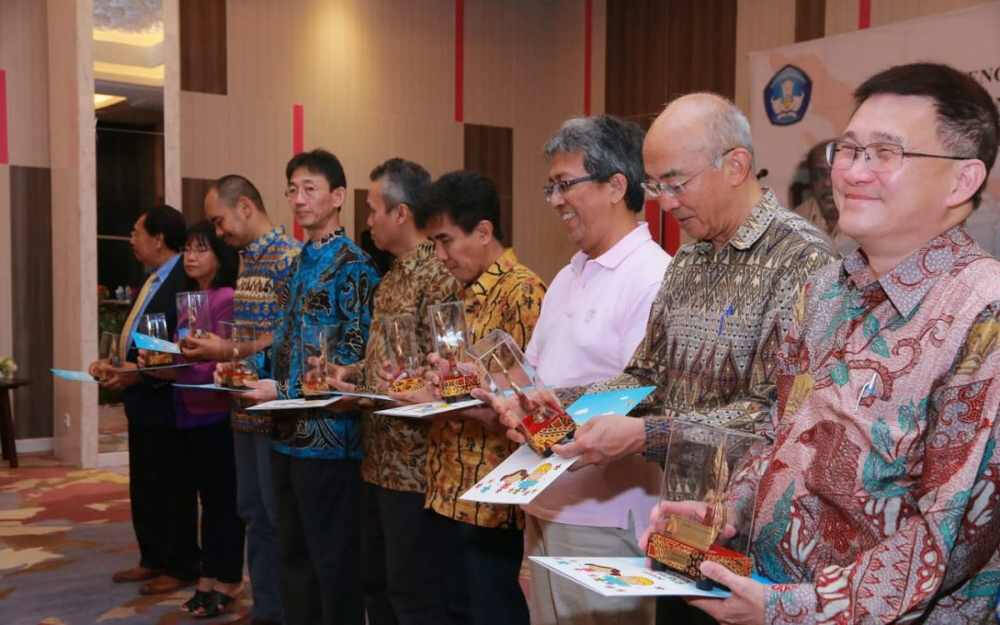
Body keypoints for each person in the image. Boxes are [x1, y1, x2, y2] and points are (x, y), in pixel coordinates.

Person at [643, 62, 1000, 625]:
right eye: (849, 150)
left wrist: (786, 610)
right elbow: (780, 436)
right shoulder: (825, 291)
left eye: (886, 154)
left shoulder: (983, 315)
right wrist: (725, 510)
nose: (854, 172)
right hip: (764, 594)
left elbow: (949, 535)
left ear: (963, 180)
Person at [479, 114, 670, 625]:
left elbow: (644, 397)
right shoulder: (568, 274)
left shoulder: (654, 279)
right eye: (551, 188)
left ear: (616, 186)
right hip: (545, 500)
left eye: (566, 185)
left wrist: (545, 406)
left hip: (605, 517)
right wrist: (499, 394)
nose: (556, 200)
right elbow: (537, 377)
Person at [244, 149, 380, 625]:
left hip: (330, 441)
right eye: (292, 190)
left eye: (310, 189)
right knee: (293, 557)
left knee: (334, 564)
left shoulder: (355, 267)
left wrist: (279, 389)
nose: (298, 200)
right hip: (285, 433)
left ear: (338, 196)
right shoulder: (298, 263)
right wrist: (247, 370)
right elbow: (283, 338)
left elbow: (353, 360)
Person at [327, 158, 462, 625]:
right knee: (377, 582)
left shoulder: (439, 277)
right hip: (378, 457)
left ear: (401, 214)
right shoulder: (393, 277)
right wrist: (351, 374)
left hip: (416, 466)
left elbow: (449, 369)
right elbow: (388, 362)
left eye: (373, 210)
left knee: (415, 591)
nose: (368, 222)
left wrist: (388, 385)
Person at [414, 170, 547, 625]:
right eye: (433, 243)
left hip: (491, 499)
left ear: (484, 231)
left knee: (492, 612)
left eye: (446, 241)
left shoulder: (523, 292)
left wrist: (474, 398)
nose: (440, 256)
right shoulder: (459, 296)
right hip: (446, 487)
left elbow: (530, 406)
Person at [183, 174, 301, 625]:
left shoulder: (289, 258)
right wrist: (226, 359)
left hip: (274, 413)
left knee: (276, 518)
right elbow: (252, 337)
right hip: (242, 410)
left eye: (220, 221)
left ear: (246, 207)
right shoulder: (247, 260)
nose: (218, 232)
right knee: (251, 512)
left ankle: (282, 610)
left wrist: (227, 351)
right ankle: (267, 607)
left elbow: (288, 337)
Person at [88, 205, 199, 595]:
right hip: (142, 397)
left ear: (158, 238)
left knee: (172, 487)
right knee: (146, 484)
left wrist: (135, 369)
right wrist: (117, 364)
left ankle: (181, 564)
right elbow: (139, 338)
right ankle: (152, 558)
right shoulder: (151, 280)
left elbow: (179, 346)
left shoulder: (182, 281)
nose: (132, 239)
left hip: (167, 399)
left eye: (137, 232)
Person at [140, 221, 245, 618]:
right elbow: (188, 357)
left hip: (217, 414)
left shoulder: (226, 297)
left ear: (220, 256)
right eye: (187, 249)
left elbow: (219, 361)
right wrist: (161, 363)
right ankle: (208, 575)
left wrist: (173, 369)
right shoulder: (190, 299)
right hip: (187, 411)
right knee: (204, 501)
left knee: (223, 503)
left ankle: (228, 578)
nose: (192, 256)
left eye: (201, 249)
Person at [793, 140, 857, 256]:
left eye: (834, 172)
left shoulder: (871, 220)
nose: (827, 183)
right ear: (810, 180)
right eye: (819, 174)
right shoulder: (794, 223)